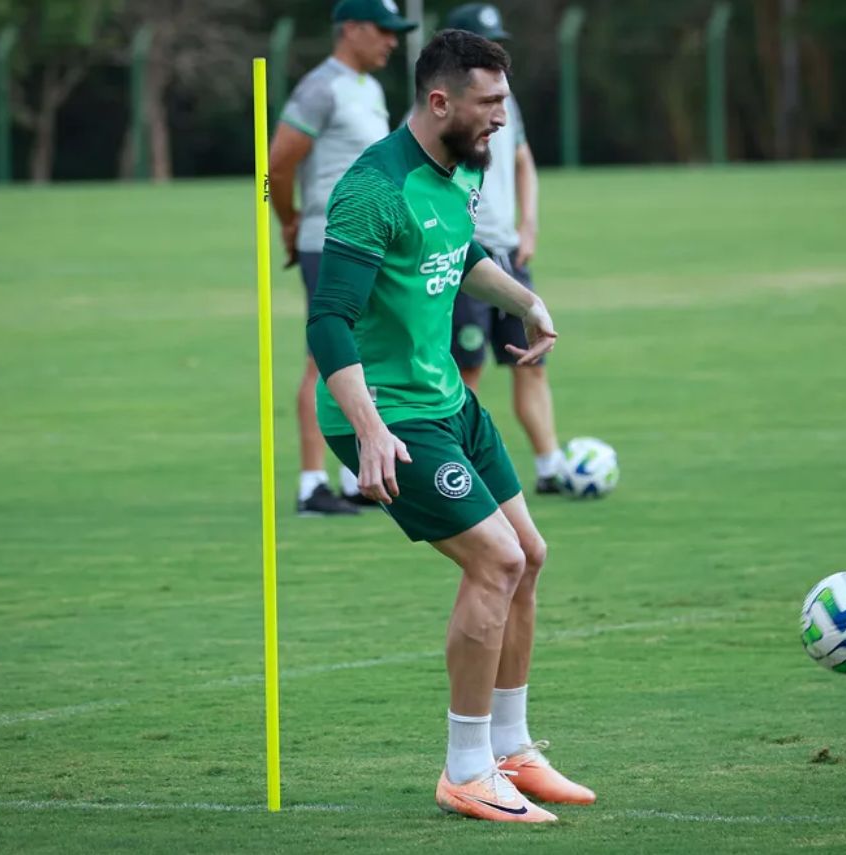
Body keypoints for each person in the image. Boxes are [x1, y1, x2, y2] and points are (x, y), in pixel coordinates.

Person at [306, 30, 594, 823]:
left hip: (447, 404)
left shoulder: (456, 171)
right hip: (388, 416)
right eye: (491, 102)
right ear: (441, 102)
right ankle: (465, 769)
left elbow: (460, 255)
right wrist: (366, 430)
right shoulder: (374, 189)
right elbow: (328, 322)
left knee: (530, 555)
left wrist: (526, 299)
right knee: (496, 562)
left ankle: (511, 748)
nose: (503, 117)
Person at [268, 0, 417, 515]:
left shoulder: (370, 88)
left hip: (367, 241)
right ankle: (313, 483)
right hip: (327, 240)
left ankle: (357, 476)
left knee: (364, 355)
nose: (393, 40)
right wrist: (287, 220)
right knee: (324, 357)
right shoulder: (320, 86)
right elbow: (277, 163)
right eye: (383, 30)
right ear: (351, 29)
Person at [443, 4, 564, 495]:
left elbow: (522, 160)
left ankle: (552, 467)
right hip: (465, 257)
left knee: (531, 359)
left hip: (508, 252)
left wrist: (528, 223)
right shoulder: (445, 107)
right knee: (466, 369)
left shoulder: (504, 102)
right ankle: (461, 475)